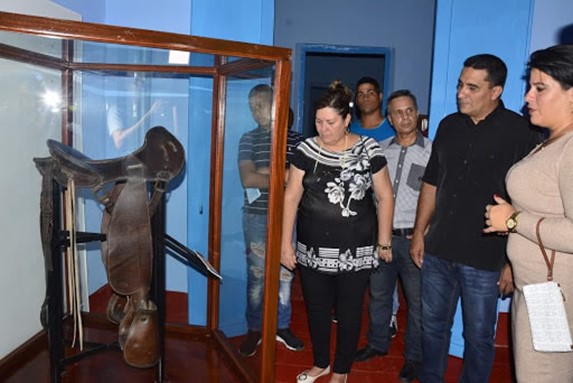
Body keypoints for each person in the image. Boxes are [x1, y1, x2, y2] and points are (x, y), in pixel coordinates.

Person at [409, 54, 541, 382]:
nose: (460, 93)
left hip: (486, 258)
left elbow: (528, 201)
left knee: (479, 338)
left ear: (495, 92)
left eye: (471, 87)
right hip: (438, 250)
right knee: (433, 329)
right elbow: (431, 182)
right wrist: (418, 232)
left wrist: (512, 263)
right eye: (459, 85)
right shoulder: (448, 125)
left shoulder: (521, 131)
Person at [281, 80, 394, 383]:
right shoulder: (306, 148)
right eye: (318, 121)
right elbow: (290, 196)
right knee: (316, 310)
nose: (323, 128)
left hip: (356, 250)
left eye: (330, 122)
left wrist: (384, 242)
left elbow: (384, 196)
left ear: (347, 120)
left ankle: (341, 370)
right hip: (312, 250)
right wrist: (285, 244)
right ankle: (321, 364)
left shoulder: (368, 148)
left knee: (349, 311)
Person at [484, 44, 573, 382]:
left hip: (555, 293)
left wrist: (514, 220)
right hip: (533, 287)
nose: (527, 98)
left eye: (540, 88)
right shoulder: (551, 141)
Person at [354, 90, 431, 382]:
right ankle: (377, 343)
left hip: (415, 240)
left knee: (418, 303)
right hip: (381, 239)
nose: (405, 117)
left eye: (410, 110)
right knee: (379, 296)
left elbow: (437, 199)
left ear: (417, 113)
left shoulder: (433, 151)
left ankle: (413, 357)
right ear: (390, 118)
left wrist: (424, 236)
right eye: (398, 112)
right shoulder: (379, 150)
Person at [237, 84, 304, 357]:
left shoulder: (297, 140)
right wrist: (280, 174)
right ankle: (255, 328)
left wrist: (264, 171)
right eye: (252, 106)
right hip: (255, 217)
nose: (256, 111)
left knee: (285, 275)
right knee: (257, 276)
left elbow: (298, 179)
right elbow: (247, 178)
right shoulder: (247, 138)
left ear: (276, 106)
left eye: (261, 105)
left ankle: (281, 326)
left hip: (288, 216)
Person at [349, 75, 400, 338]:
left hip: (384, 208)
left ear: (380, 97)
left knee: (384, 264)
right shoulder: (351, 131)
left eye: (371, 92)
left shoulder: (391, 130)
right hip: (356, 212)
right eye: (360, 93)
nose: (365, 97)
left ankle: (389, 315)